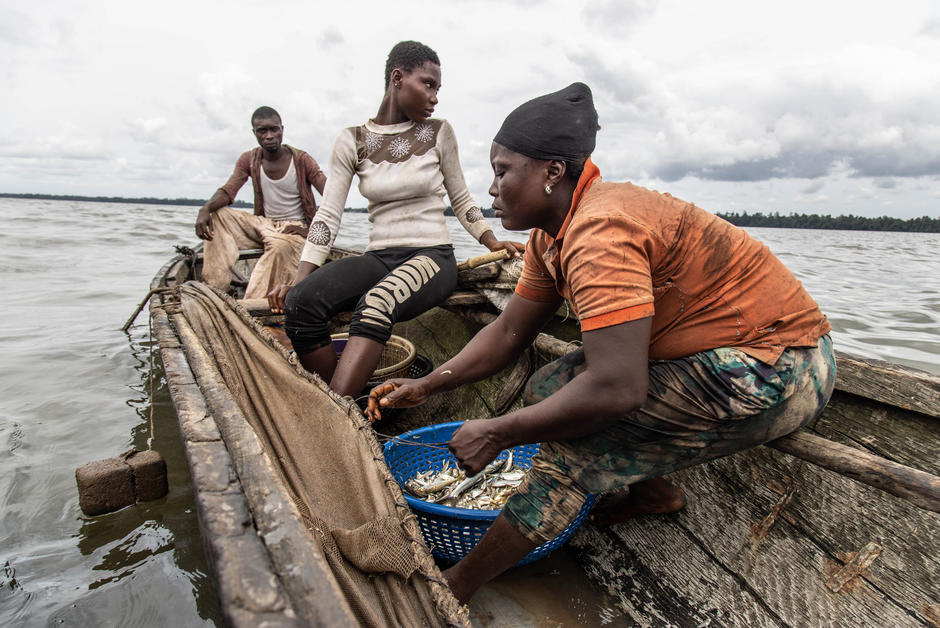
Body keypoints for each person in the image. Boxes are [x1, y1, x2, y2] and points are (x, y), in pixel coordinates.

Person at [367, 82, 836, 603]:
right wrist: (428, 385)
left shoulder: (600, 232)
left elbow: (617, 388)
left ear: (552, 173)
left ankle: (451, 590)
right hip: (708, 356)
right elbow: (507, 332)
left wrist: (497, 433)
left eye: (502, 171)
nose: (492, 189)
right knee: (549, 388)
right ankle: (653, 491)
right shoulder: (553, 233)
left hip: (780, 366)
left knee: (571, 450)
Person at [267, 41, 523, 398]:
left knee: (376, 303)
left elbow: (461, 198)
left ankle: (339, 419)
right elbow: (328, 215)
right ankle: (346, 404)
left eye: (437, 88)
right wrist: (298, 280)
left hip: (432, 256)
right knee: (300, 305)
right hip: (379, 258)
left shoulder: (438, 132)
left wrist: (491, 241)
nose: (435, 97)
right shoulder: (352, 140)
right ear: (398, 78)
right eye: (428, 84)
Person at [195, 106, 327, 299]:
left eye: (274, 129)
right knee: (217, 214)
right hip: (263, 225)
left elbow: (332, 195)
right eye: (262, 131)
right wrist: (205, 209)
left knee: (280, 247)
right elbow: (229, 190)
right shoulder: (250, 159)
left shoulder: (301, 160)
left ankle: (251, 304)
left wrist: (310, 231)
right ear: (254, 133)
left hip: (293, 228)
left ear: (282, 129)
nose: (269, 136)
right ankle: (216, 290)